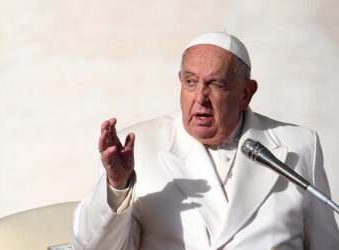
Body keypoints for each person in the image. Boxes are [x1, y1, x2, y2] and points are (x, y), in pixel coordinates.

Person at [71, 32, 339, 249]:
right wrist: (118, 186)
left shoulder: (299, 146)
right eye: (190, 82)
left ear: (246, 93)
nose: (200, 97)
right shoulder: (138, 147)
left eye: (216, 85)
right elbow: (93, 247)